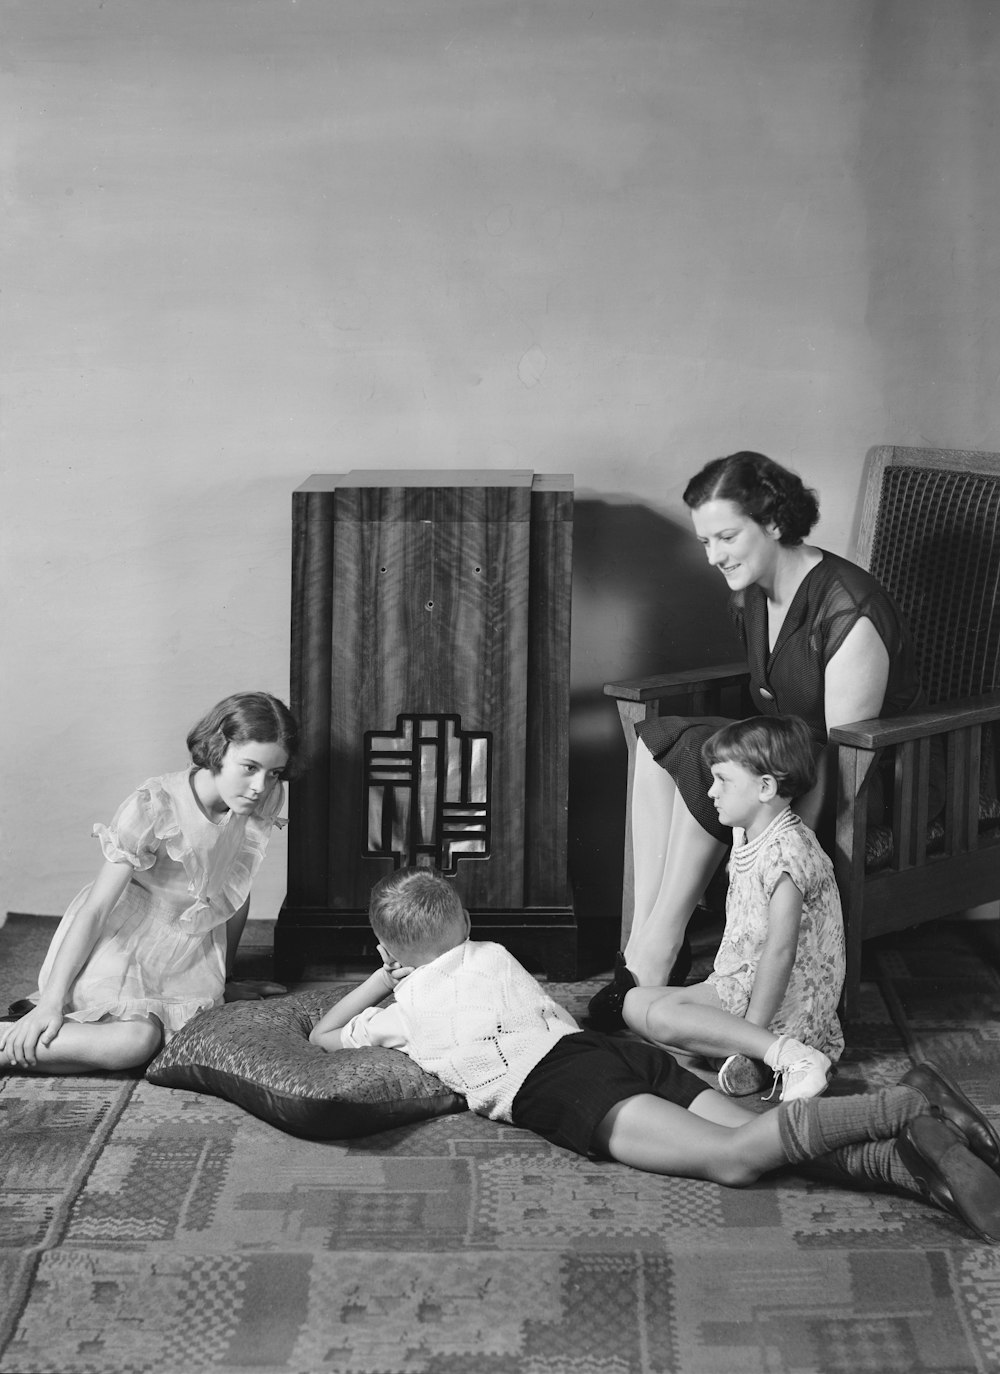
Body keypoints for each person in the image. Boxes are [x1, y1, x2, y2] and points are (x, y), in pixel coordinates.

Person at [310, 867, 1000, 1243]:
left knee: (733, 1162)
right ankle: (922, 1168)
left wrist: (382, 977)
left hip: (566, 1088)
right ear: (464, 923)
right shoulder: (493, 953)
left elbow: (321, 1036)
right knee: (763, 1139)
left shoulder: (402, 1014)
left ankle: (905, 1103)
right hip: (611, 1055)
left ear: (390, 950)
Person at [588, 449, 944, 1030]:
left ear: (774, 523)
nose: (714, 556)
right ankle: (651, 942)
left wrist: (770, 845)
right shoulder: (751, 593)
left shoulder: (849, 610)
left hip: (870, 783)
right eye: (706, 542)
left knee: (713, 758)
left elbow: (840, 755)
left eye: (726, 536)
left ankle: (653, 954)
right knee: (662, 746)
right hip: (786, 769)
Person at [0, 691, 298, 1074]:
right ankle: (15, 1037)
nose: (261, 785)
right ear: (218, 749)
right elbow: (96, 909)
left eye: (274, 772)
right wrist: (51, 1001)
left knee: (180, 1039)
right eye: (249, 767)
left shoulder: (261, 800)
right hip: (121, 943)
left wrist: (224, 979)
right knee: (136, 1040)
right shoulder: (156, 804)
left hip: (186, 956)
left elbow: (233, 892)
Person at [623, 715, 844, 1102]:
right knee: (635, 1003)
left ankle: (783, 1054)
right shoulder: (747, 833)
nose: (710, 792)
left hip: (780, 1006)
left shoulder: (788, 852)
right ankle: (747, 1061)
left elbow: (781, 951)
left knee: (659, 1016)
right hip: (740, 985)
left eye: (722, 780)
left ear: (765, 787)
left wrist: (755, 1033)